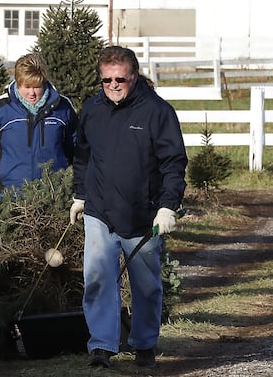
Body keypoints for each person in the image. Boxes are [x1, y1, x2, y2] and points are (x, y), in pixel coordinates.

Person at [69, 46, 187, 369]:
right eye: (106, 80)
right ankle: (102, 347)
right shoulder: (92, 109)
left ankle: (144, 344)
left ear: (134, 76)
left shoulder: (157, 112)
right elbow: (82, 156)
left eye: (120, 78)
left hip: (142, 215)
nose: (113, 85)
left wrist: (167, 206)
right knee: (97, 278)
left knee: (146, 285)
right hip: (99, 211)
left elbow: (174, 162)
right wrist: (80, 195)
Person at [0, 52, 77, 216]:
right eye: (26, 87)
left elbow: (78, 150)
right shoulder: (0, 108)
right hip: (10, 197)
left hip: (54, 196)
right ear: (17, 83)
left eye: (37, 87)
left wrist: (81, 192)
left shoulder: (63, 107)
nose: (32, 93)